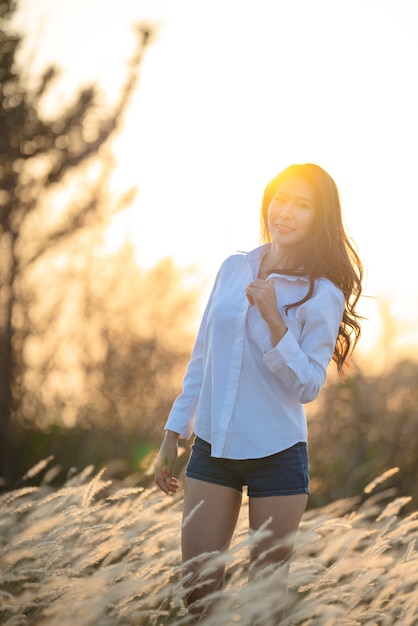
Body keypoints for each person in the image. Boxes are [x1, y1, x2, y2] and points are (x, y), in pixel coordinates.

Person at [154, 163, 363, 622]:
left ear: (320, 218)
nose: (285, 213)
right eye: (280, 198)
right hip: (213, 446)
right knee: (199, 593)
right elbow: (202, 356)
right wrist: (175, 431)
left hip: (278, 454)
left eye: (302, 205)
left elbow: (308, 384)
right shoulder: (233, 268)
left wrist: (274, 320)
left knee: (264, 604)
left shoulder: (322, 293)